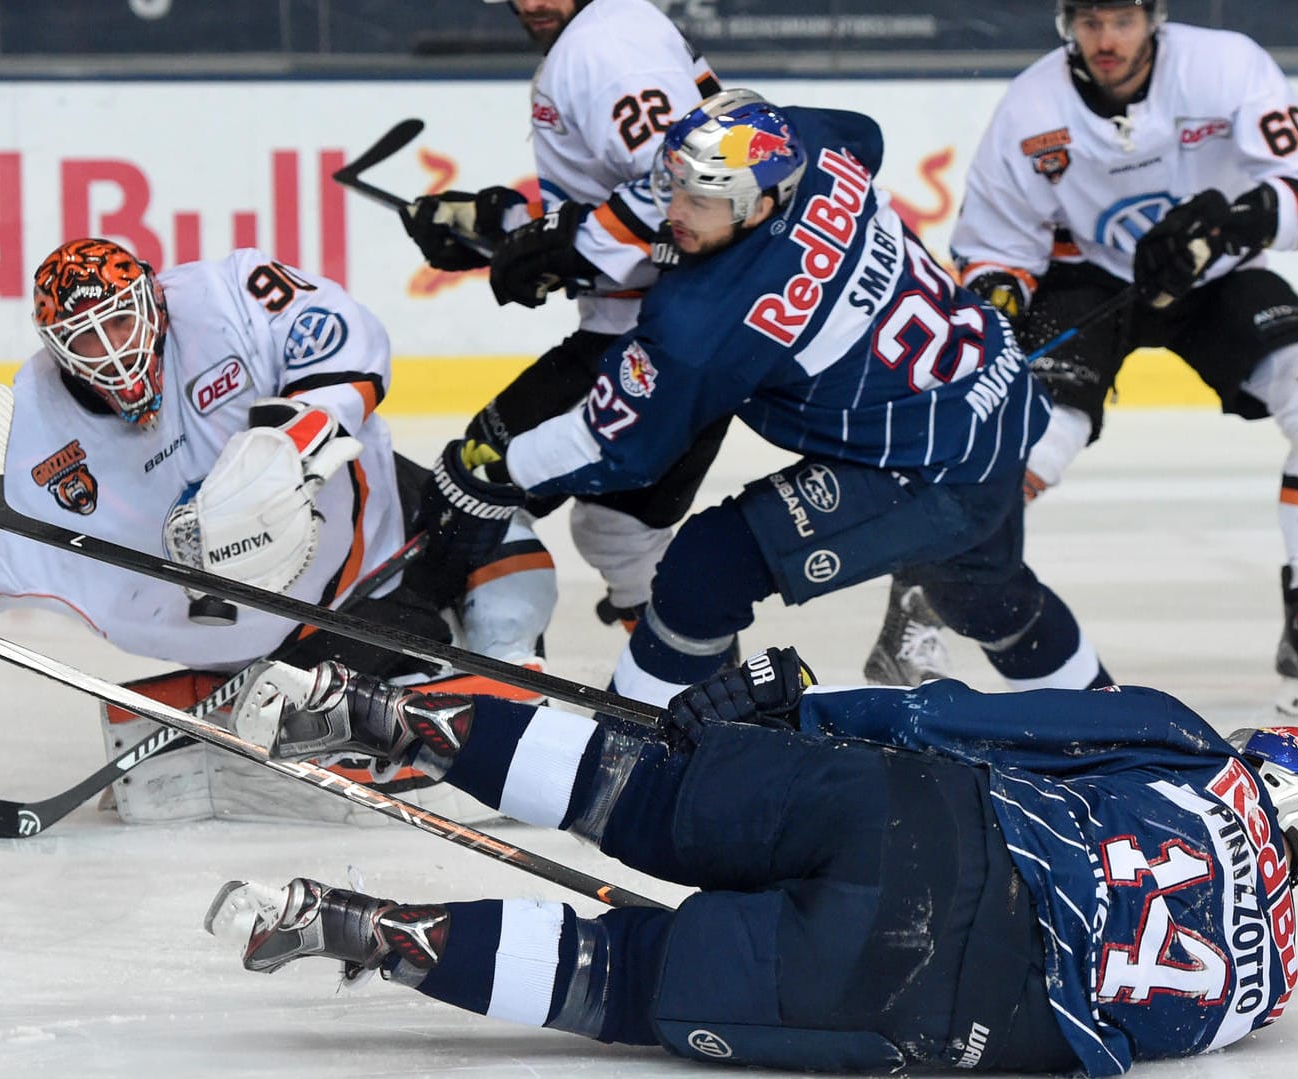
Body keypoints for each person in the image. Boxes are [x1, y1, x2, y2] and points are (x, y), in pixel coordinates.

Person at [207, 646, 1298, 1075]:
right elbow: (1093, 1046)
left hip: (925, 816)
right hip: (933, 994)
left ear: (1264, 757)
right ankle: (352, 928)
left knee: (640, 785)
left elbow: (968, 719)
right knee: (626, 979)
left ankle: (366, 709)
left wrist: (798, 714)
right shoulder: (1264, 989)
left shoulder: (1192, 751)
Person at [422, 89, 1110, 705]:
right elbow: (863, 132)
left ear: (763, 203)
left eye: (701, 198)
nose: (676, 210)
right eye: (675, 185)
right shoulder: (810, 145)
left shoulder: (704, 324)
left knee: (706, 568)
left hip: (930, 468)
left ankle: (615, 752)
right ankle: (1112, 728)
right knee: (984, 595)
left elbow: (618, 447)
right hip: (998, 397)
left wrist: (495, 469)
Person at [0, 237, 556, 823]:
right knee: (487, 706)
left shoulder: (224, 296)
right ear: (53, 347)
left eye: (120, 321)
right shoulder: (30, 433)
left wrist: (292, 446)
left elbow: (336, 335)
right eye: (86, 339)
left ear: (153, 297)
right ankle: (316, 720)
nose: (113, 350)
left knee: (513, 552)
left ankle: (290, 717)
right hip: (288, 627)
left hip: (374, 511)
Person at [872, 0, 1298, 723]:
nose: (1106, 40)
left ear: (1154, 17)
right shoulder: (1031, 107)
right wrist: (1000, 311)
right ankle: (920, 601)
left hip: (1213, 271)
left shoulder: (1226, 66)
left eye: (1122, 20)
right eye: (1090, 22)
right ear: (1066, 23)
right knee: (1036, 441)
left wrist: (1236, 219)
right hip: (1084, 282)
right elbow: (994, 247)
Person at [400, 0, 726, 629]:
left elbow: (696, 188)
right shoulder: (618, 26)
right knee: (621, 538)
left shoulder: (602, 48)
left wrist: (562, 247)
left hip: (652, 342)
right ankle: (711, 704)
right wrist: (494, 228)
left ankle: (438, 683)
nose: (532, 3)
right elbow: (640, 199)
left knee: (468, 487)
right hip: (697, 335)